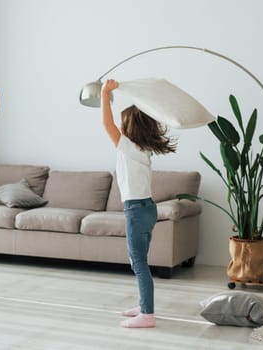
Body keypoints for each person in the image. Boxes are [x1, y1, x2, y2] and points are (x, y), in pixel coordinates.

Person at [100, 79, 176, 328]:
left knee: (139, 264)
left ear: (130, 127)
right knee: (139, 261)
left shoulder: (129, 147)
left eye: (123, 124)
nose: (119, 128)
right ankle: (144, 306)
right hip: (146, 208)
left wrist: (104, 93)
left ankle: (148, 315)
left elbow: (106, 124)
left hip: (136, 210)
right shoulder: (140, 149)